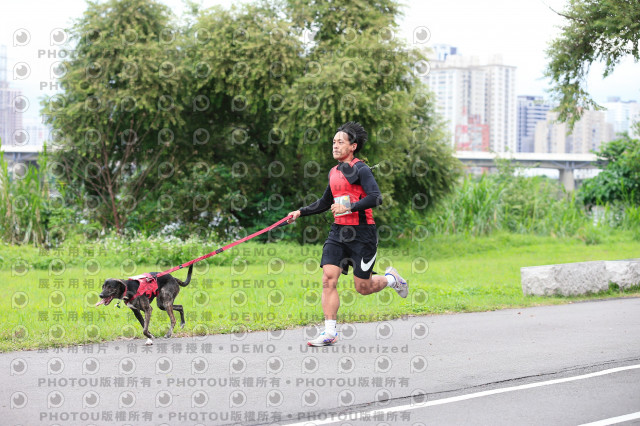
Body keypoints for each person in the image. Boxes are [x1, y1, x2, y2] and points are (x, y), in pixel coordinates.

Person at [287, 121, 408, 347]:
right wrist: (300, 212)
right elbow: (325, 202)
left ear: (352, 146)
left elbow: (375, 197)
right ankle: (329, 332)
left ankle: (392, 279)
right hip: (338, 233)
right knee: (328, 278)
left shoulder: (361, 169)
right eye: (333, 142)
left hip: (363, 235)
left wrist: (349, 207)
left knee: (363, 288)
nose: (335, 146)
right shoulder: (334, 172)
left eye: (340, 142)